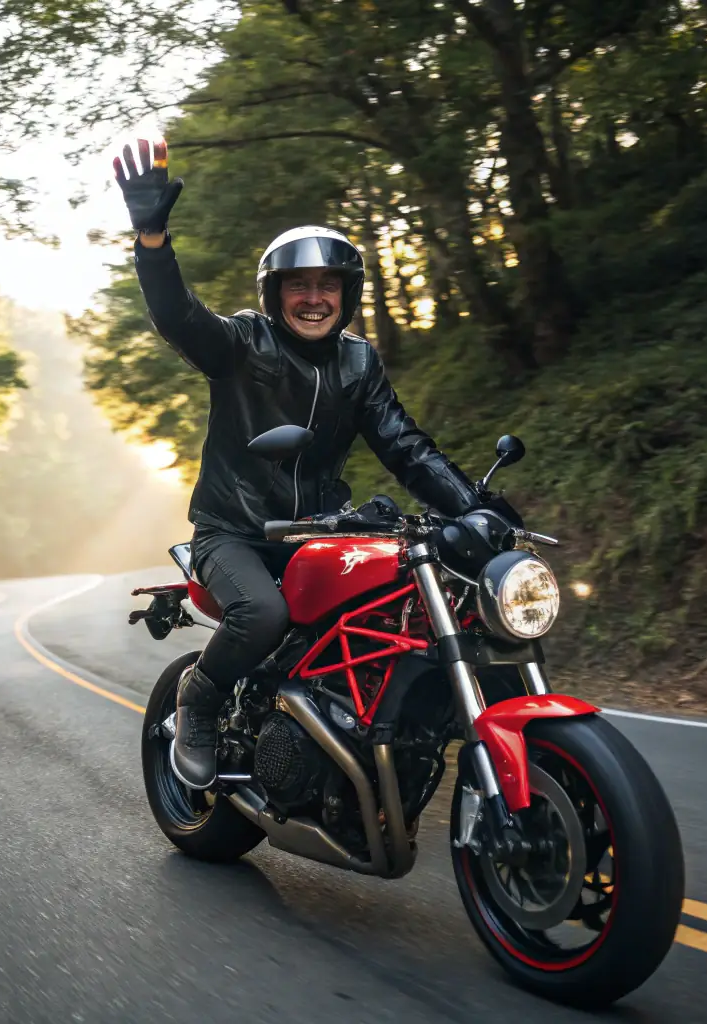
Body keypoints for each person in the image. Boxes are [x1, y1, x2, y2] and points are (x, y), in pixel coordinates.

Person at [114, 138, 480, 790]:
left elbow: (404, 446)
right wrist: (151, 239)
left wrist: (477, 512)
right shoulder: (241, 345)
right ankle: (198, 696)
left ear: (347, 294)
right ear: (275, 294)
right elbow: (178, 317)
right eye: (298, 286)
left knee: (401, 607)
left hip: (321, 530)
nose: (313, 298)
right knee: (264, 614)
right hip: (233, 534)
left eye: (327, 286)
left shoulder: (358, 362)